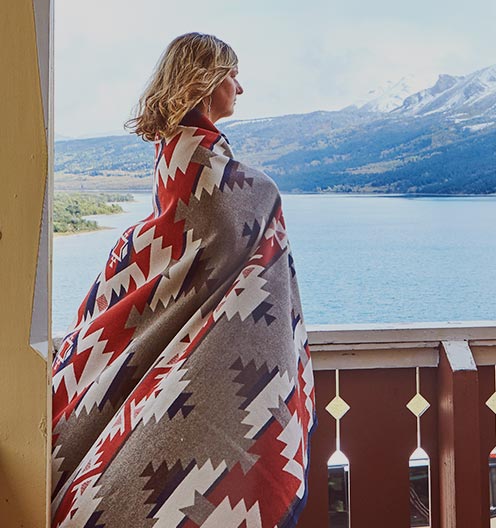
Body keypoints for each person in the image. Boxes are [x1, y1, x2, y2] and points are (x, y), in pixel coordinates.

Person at [51, 32, 317, 528]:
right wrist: (266, 197)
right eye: (232, 75)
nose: (241, 87)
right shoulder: (225, 176)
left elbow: (183, 243)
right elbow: (220, 230)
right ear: (206, 80)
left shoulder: (174, 154)